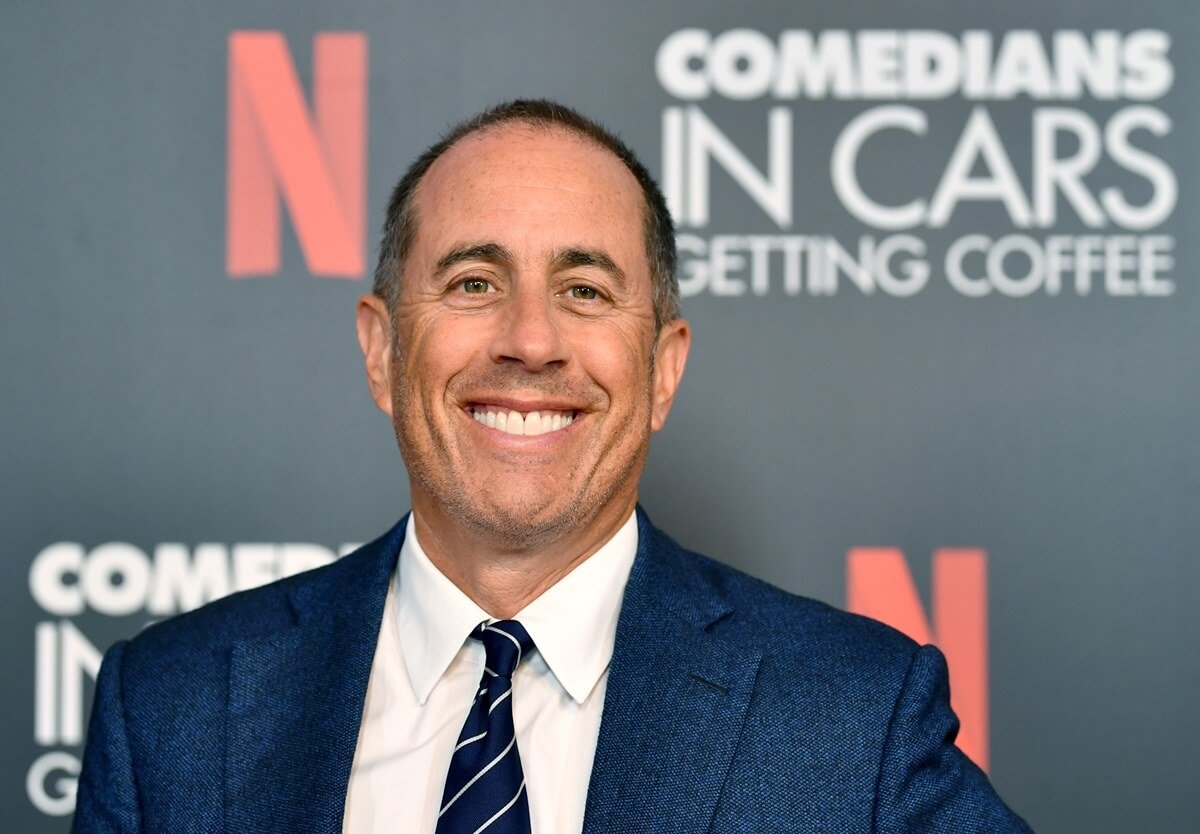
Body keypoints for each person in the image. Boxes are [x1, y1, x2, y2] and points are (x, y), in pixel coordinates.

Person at [73, 99, 1032, 833]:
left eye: (584, 289)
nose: (530, 340)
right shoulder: (170, 710)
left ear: (661, 370)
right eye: (474, 282)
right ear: (380, 349)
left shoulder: (854, 719)